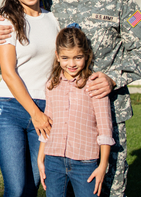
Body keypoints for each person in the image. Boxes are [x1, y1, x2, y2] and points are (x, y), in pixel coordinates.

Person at [0, 0, 141, 196]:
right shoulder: (53, 3)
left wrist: (112, 78)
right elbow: (18, 17)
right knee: (60, 183)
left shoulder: (121, 3)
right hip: (64, 112)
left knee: (110, 184)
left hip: (106, 108)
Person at [0, 0, 60, 197]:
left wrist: (43, 113)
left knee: (33, 186)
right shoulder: (6, 21)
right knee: (16, 188)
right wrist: (35, 114)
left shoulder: (54, 19)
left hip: (45, 109)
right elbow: (8, 74)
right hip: (11, 110)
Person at [37, 25, 115, 197]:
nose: (71, 64)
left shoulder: (95, 85)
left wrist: (102, 166)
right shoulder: (51, 85)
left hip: (85, 163)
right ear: (57, 56)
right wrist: (40, 158)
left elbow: (105, 129)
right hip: (53, 161)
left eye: (77, 57)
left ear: (86, 55)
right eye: (65, 58)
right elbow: (47, 125)